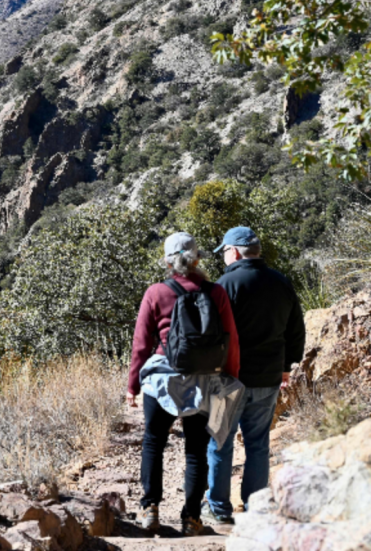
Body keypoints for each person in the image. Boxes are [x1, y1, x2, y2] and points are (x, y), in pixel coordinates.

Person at [127, 232, 241, 537]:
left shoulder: (156, 292)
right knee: (196, 449)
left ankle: (149, 507)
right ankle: (191, 518)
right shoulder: (215, 292)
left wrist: (133, 385)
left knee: (153, 440)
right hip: (204, 380)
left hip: (163, 378)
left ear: (167, 261)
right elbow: (230, 339)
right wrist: (229, 377)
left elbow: (141, 342)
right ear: (198, 258)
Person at [203, 226, 306, 524]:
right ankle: (255, 509)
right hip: (269, 376)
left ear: (234, 252)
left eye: (223, 251)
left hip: (229, 380)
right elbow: (295, 329)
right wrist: (287, 365)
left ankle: (218, 510)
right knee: (258, 444)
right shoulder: (281, 282)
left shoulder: (225, 285)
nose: (223, 256)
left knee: (220, 443)